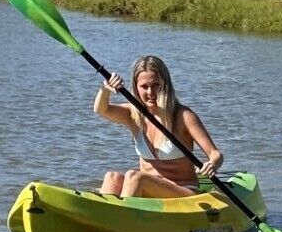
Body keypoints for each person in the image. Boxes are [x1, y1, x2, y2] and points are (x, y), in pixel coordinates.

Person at [94, 53, 223, 197]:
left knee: (134, 177)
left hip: (183, 190)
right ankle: (102, 210)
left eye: (156, 85)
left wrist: (212, 164)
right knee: (112, 177)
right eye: (144, 86)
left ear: (165, 85)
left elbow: (215, 154)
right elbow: (101, 110)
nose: (150, 92)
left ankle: (122, 209)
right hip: (149, 191)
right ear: (136, 88)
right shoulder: (133, 115)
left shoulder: (183, 116)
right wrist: (105, 88)